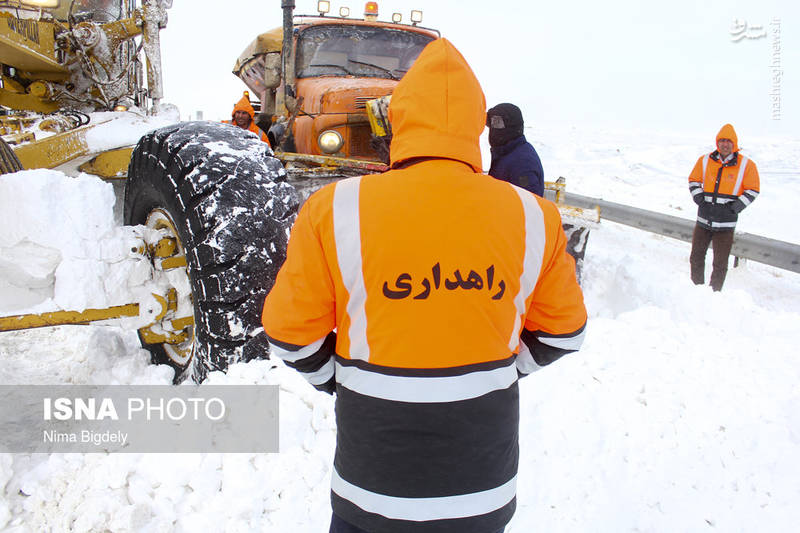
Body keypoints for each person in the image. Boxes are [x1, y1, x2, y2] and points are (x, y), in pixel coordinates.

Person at [262, 38, 587, 533]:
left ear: (398, 118)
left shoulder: (334, 209)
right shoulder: (534, 217)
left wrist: (342, 380)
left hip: (371, 487)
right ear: (476, 123)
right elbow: (565, 332)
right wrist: (499, 373)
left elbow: (289, 333)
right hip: (482, 490)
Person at [688, 123, 760, 291]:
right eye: (722, 140)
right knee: (696, 257)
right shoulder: (705, 160)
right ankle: (695, 291)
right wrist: (700, 199)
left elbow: (753, 189)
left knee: (720, 264)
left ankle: (714, 295)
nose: (725, 144)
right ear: (717, 142)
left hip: (726, 225)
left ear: (734, 143)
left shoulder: (746, 165)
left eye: (728, 141)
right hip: (703, 221)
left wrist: (734, 208)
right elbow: (693, 180)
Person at [486, 103, 545, 197]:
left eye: (497, 122)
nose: (493, 127)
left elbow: (529, 204)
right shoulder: (507, 153)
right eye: (492, 122)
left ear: (511, 126)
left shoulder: (523, 162)